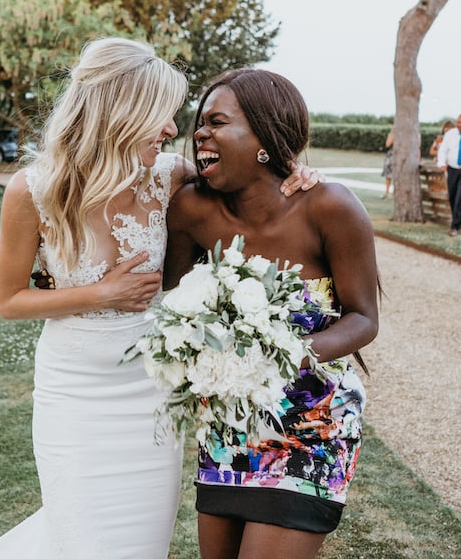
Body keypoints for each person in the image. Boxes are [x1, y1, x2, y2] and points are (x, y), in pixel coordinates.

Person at [0, 39, 317, 559]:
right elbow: (9, 301)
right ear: (121, 112)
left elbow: (253, 186)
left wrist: (298, 173)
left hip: (149, 400)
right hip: (74, 398)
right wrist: (100, 292)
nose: (172, 131)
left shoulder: (170, 179)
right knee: (78, 541)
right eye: (162, 115)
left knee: (141, 545)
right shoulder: (33, 191)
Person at [164, 68, 380, 559]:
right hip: (226, 428)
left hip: (311, 425)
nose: (200, 132)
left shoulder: (329, 206)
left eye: (217, 122)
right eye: (200, 123)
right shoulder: (192, 209)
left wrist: (287, 354)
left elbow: (364, 318)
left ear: (263, 137)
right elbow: (168, 294)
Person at [380, 124, 395, 199]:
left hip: (393, 156)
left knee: (389, 175)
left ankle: (386, 193)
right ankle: (392, 193)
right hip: (400, 155)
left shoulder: (393, 133)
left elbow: (387, 144)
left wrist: (391, 134)